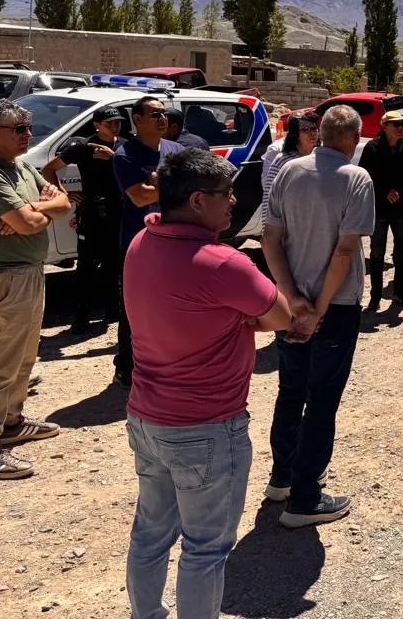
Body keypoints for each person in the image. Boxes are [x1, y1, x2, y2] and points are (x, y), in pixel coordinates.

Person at [123, 149, 293, 619]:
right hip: (206, 426)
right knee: (205, 548)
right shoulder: (222, 264)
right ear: (198, 200)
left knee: (151, 532)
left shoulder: (143, 239)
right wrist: (236, 321)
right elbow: (279, 315)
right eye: (226, 194)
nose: (235, 201)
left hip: (147, 416)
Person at [263, 105, 376, 528]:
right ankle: (306, 498)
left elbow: (270, 238)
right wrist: (320, 310)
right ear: (353, 136)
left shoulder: (289, 171)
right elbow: (345, 251)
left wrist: (292, 299)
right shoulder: (356, 179)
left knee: (291, 391)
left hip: (291, 305)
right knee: (322, 401)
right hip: (336, 306)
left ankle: (282, 478)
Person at [0, 99, 71, 479]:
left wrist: (31, 211)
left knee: (24, 355)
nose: (29, 135)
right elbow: (30, 221)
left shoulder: (21, 166)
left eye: (29, 127)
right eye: (20, 129)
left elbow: (62, 201)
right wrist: (33, 213)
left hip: (27, 271)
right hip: (2, 277)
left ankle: (11, 423)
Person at [113, 95, 186, 389]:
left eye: (164, 114)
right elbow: (140, 196)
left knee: (171, 306)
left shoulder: (176, 151)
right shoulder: (125, 154)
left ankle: (165, 365)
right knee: (134, 308)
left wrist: (159, 183)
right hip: (138, 243)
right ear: (137, 120)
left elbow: (190, 187)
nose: (162, 119)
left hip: (176, 241)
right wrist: (171, 186)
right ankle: (126, 367)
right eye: (154, 114)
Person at [42, 106, 126, 333]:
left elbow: (133, 173)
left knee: (115, 264)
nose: (115, 126)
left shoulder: (124, 147)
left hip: (117, 211)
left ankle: (113, 310)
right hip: (91, 212)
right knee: (86, 266)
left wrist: (115, 158)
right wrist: (64, 193)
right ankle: (82, 316)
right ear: (97, 125)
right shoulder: (82, 148)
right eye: (109, 123)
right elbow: (49, 170)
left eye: (117, 122)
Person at [358, 110, 403, 311]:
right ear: (384, 126)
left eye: (401, 124)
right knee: (377, 254)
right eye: (395, 124)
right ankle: (375, 297)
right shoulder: (373, 148)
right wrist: (384, 191)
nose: (399, 128)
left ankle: (399, 294)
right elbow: (365, 176)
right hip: (380, 209)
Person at [261, 111, 320, 224]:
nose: (312, 133)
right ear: (295, 134)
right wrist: (268, 230)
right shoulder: (282, 161)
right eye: (305, 130)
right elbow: (269, 197)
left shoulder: (322, 158)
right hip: (289, 225)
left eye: (314, 129)